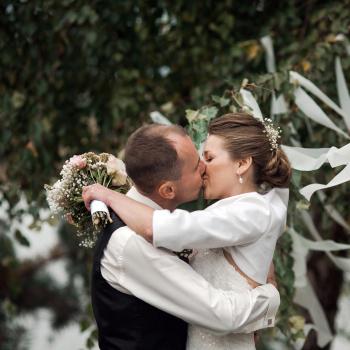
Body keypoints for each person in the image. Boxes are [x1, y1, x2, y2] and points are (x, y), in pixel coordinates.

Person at [82, 120, 281, 350]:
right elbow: (221, 315)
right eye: (197, 165)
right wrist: (269, 294)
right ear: (168, 190)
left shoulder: (180, 223)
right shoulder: (129, 241)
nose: (204, 168)